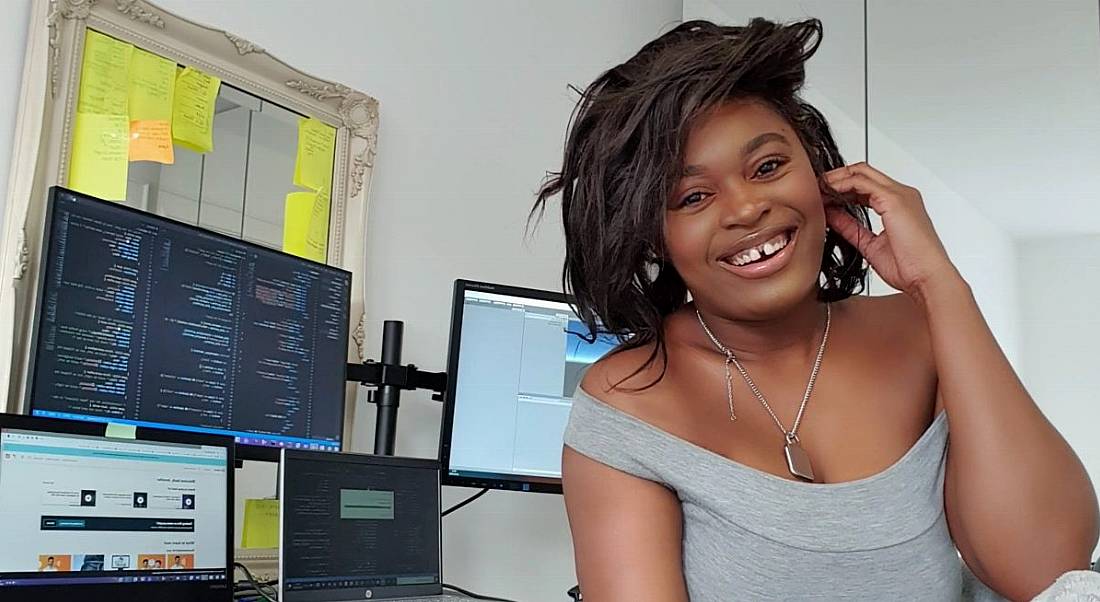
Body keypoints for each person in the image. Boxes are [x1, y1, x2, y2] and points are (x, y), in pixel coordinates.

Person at [533, 17, 1100, 601]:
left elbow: (1051, 576)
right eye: (693, 197)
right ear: (654, 235)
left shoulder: (918, 330)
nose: (747, 208)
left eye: (769, 167)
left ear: (821, 176)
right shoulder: (629, 402)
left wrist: (940, 285)